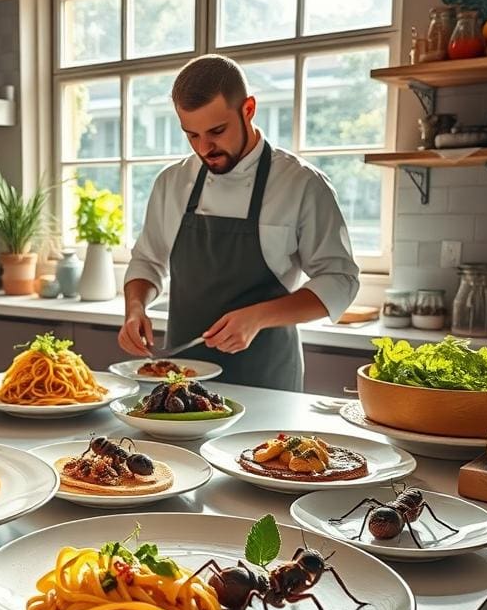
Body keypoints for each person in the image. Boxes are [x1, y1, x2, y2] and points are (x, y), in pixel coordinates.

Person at [119, 54, 359, 391]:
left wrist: (259, 316)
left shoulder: (302, 184)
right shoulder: (172, 182)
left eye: (217, 131)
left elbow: (340, 280)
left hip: (266, 380)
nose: (205, 148)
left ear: (248, 109)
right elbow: (147, 260)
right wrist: (134, 308)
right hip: (180, 384)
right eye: (192, 135)